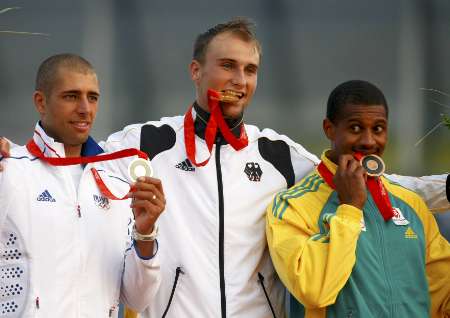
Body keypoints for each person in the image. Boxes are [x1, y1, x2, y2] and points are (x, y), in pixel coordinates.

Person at [0, 19, 449, 318]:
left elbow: (367, 180)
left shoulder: (276, 153)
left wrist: (445, 187)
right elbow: (70, 166)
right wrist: (12, 155)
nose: (239, 80)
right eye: (227, 66)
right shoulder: (145, 144)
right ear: (196, 71)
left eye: (250, 70)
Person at [266, 80, 450, 317]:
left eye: (378, 129)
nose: (368, 141)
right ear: (329, 129)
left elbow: (442, 291)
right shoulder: (293, 205)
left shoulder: (409, 203)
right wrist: (350, 208)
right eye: (355, 128)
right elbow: (314, 290)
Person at [0, 54, 164, 317]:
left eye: (93, 97)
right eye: (71, 96)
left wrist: (145, 234)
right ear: (40, 102)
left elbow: (138, 298)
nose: (85, 108)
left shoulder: (115, 184)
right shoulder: (10, 170)